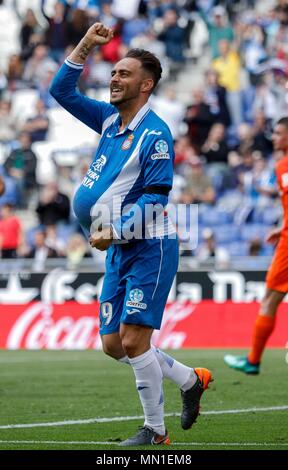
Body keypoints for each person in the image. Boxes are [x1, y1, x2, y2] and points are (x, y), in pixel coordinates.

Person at [50, 22, 212, 446]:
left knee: (135, 338)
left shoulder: (155, 134)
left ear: (146, 85)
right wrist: (86, 45)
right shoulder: (108, 120)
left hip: (149, 246)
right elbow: (61, 92)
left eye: (124, 74)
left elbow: (158, 196)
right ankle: (190, 380)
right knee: (113, 344)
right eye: (114, 72)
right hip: (118, 249)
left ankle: (155, 433)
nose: (114, 79)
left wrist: (116, 228)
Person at [224, 117, 288, 374]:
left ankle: (253, 360)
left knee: (270, 298)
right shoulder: (279, 166)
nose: (274, 137)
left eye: (280, 133)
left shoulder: (283, 167)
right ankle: (252, 360)